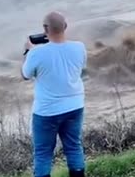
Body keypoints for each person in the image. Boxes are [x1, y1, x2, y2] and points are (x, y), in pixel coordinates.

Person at [21, 11, 87, 177]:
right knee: (74, 147)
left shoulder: (37, 53)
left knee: (43, 153)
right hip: (75, 106)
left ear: (45, 29)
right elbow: (78, 68)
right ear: (65, 26)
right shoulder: (79, 47)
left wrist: (28, 52)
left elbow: (25, 75)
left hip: (47, 111)